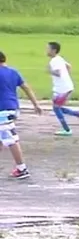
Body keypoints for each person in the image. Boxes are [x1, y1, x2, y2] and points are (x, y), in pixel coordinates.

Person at [0, 51, 43, 179]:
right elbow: (26, 87)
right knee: (3, 137)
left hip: (3, 110)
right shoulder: (13, 72)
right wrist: (36, 104)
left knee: (10, 139)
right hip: (12, 108)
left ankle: (22, 169)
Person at [46, 41, 79, 136]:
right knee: (58, 108)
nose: (46, 51)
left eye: (48, 49)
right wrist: (66, 77)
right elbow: (69, 66)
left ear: (54, 50)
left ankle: (67, 130)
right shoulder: (59, 58)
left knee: (56, 108)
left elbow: (58, 73)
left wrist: (50, 71)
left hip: (62, 89)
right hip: (64, 87)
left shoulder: (54, 61)